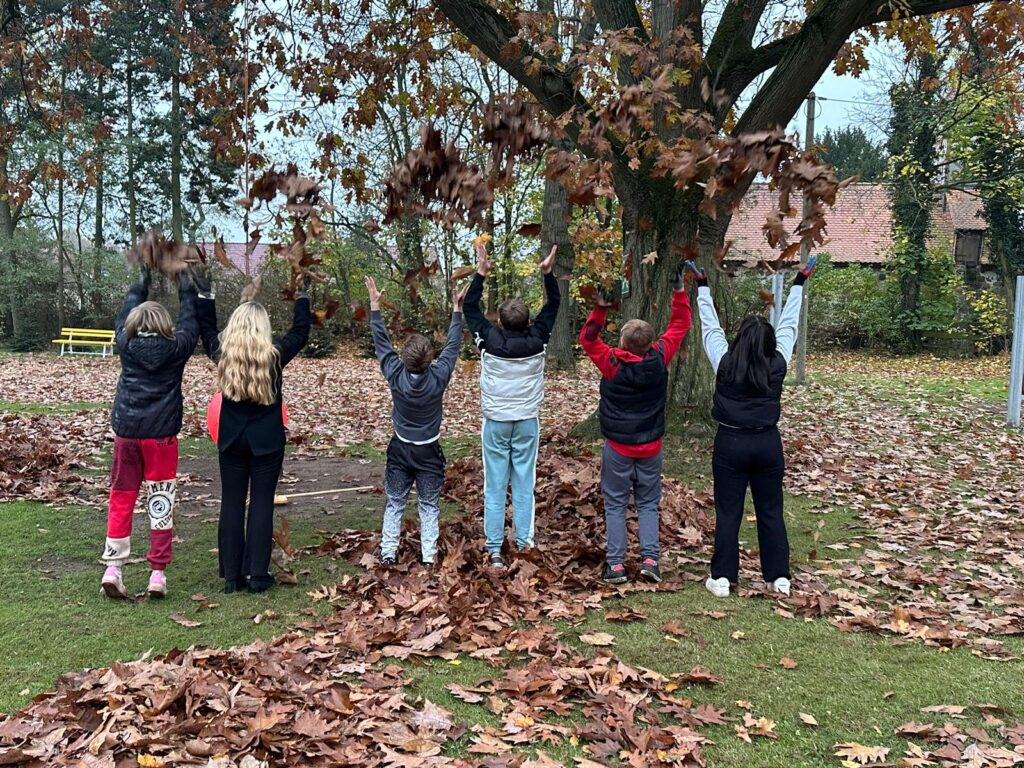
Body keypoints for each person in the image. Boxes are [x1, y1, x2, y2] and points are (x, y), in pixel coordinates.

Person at [688, 256, 817, 598]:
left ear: (739, 339)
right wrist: (799, 283)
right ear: (770, 343)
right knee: (771, 509)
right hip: (767, 444)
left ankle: (722, 578)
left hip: (730, 443)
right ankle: (779, 578)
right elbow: (789, 324)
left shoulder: (724, 361)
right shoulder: (778, 362)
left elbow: (710, 328)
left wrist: (703, 288)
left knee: (728, 511)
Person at [194, 269, 310, 593]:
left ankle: (232, 577)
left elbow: (206, 329)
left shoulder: (223, 353)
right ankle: (258, 574)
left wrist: (205, 295)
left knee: (231, 502)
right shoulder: (274, 356)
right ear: (263, 328)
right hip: (266, 440)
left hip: (231, 438)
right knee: (261, 502)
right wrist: (302, 295)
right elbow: (301, 332)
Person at [579, 265, 692, 585]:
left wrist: (601, 308)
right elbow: (680, 325)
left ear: (624, 342)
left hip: (618, 447)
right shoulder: (659, 357)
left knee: (615, 503)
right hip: (650, 446)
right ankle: (650, 561)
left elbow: (588, 338)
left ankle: (616, 565)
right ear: (649, 343)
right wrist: (679, 290)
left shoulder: (611, 362)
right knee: (647, 503)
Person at [101, 268, 199, 600]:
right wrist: (184, 283)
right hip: (161, 437)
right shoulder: (177, 347)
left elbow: (125, 312)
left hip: (127, 433)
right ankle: (157, 573)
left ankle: (113, 568)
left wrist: (141, 282)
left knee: (121, 497)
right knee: (161, 500)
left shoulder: (125, 343)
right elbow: (190, 320)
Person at [464, 243, 560, 569]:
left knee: (494, 486)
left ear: (501, 322)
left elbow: (471, 308)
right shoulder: (539, 339)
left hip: (496, 422)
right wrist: (547, 274)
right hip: (526, 422)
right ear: (528, 320)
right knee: (523, 483)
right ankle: (524, 545)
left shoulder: (489, 340)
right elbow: (554, 305)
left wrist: (481, 272)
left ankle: (494, 551)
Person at [366, 276, 467, 566]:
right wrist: (457, 311)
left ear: (404, 358)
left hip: (400, 450)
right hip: (428, 453)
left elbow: (381, 344)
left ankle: (388, 553)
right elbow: (452, 347)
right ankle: (428, 558)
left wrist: (375, 308)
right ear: (429, 358)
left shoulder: (395, 374)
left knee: (395, 502)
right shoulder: (439, 376)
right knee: (429, 505)